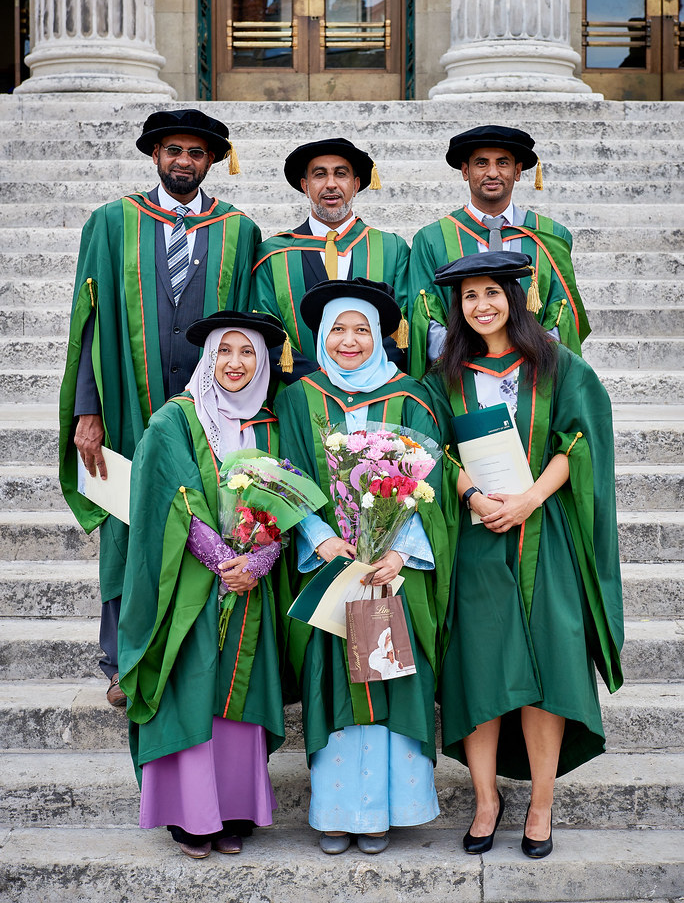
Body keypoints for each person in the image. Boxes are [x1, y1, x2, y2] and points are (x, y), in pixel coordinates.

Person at [423, 252, 623, 859]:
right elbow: (432, 449)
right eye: (469, 296)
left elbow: (578, 442)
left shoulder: (557, 365)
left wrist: (531, 498)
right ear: (457, 308)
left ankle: (541, 805)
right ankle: (486, 801)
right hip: (478, 536)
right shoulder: (446, 376)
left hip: (544, 535)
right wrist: (476, 498)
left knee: (548, 667)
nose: (481, 305)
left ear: (514, 297)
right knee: (479, 668)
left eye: (492, 292)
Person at [58, 109, 260, 706]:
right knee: (127, 523)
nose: (183, 161)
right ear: (155, 156)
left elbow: (246, 329)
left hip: (207, 410)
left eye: (196, 152)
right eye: (173, 150)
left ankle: (193, 651)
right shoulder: (111, 222)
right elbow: (88, 322)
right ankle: (121, 659)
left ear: (212, 160)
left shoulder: (238, 230)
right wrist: (88, 410)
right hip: (127, 402)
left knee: (204, 518)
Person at [275, 277, 450, 855]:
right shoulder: (300, 398)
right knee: (333, 680)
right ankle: (336, 811)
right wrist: (321, 538)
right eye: (337, 330)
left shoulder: (412, 398)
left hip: (394, 573)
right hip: (332, 568)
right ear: (321, 337)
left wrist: (399, 551)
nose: (348, 341)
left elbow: (431, 487)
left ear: (379, 336)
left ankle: (385, 811)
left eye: (360, 330)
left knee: (391, 676)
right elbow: (290, 475)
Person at [117, 310, 287, 859]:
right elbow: (172, 497)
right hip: (191, 585)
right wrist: (223, 560)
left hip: (248, 587)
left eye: (248, 353)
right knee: (192, 688)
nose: (235, 363)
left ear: (262, 362)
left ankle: (232, 809)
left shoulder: (270, 422)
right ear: (208, 357)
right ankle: (192, 815)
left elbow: (289, 500)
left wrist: (261, 559)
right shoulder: (176, 419)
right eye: (224, 351)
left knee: (237, 695)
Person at [408, 125, 590, 377]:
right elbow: (425, 317)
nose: (492, 172)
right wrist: (470, 362)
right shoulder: (432, 239)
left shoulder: (551, 236)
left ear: (517, 171)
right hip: (459, 373)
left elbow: (561, 313)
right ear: (465, 171)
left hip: (533, 372)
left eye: (502, 163)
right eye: (481, 163)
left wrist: (530, 358)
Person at [251, 138, 410, 383]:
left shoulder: (392, 249)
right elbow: (266, 327)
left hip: (377, 389)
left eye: (341, 174)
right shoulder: (274, 254)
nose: (331, 184)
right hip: (301, 391)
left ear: (356, 185)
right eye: (320, 174)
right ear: (305, 186)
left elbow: (403, 323)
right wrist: (317, 384)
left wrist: (363, 378)